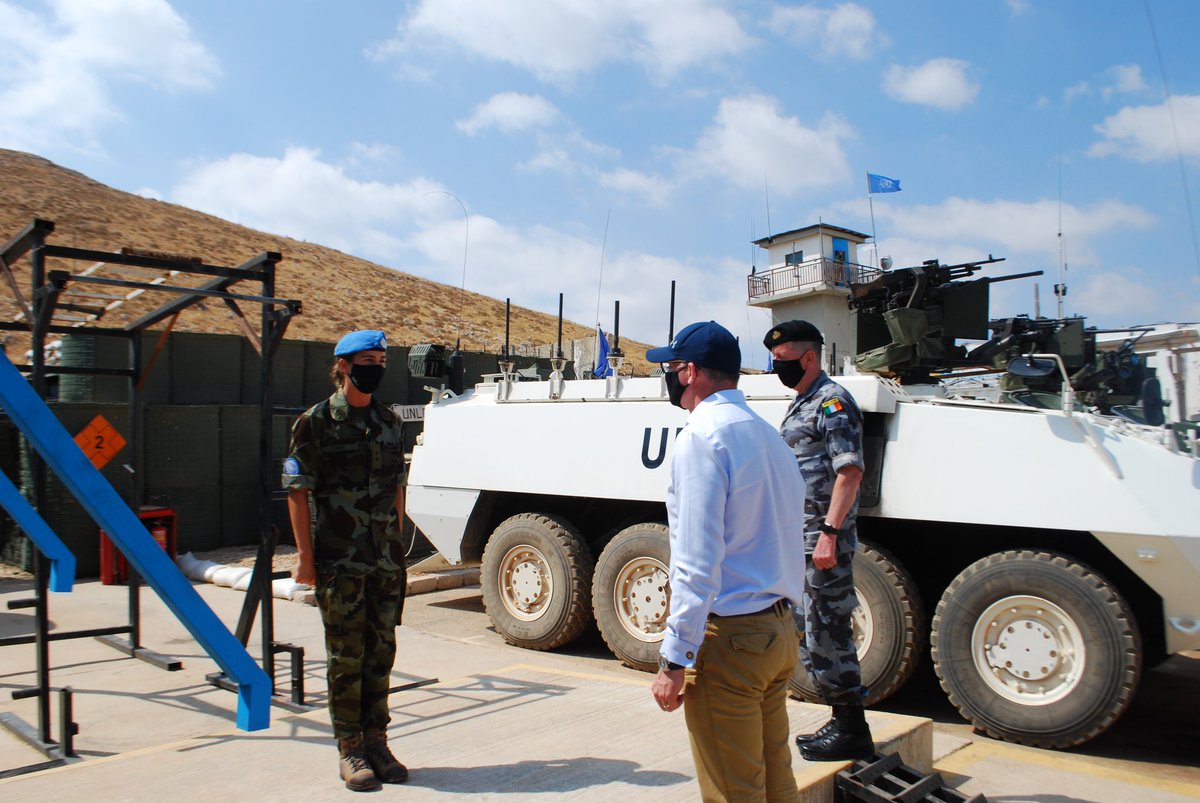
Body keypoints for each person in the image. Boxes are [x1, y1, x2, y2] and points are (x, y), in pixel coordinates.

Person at [647, 321, 808, 802]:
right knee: (775, 779)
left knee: (734, 791)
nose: (671, 377)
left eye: (673, 367)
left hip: (732, 639)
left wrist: (674, 658)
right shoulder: (766, 433)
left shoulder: (701, 437)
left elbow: (696, 562)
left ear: (691, 372)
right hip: (777, 631)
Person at [283, 329, 410, 792]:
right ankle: (350, 748)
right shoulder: (315, 422)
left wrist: (397, 548)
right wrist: (305, 558)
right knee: (345, 657)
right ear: (343, 366)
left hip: (383, 562)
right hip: (340, 562)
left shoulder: (390, 421)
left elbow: (397, 486)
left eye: (381, 359)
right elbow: (298, 494)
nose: (375, 366)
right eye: (367, 359)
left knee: (381, 654)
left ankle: (379, 742)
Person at [764, 319, 874, 762]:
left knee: (829, 633)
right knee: (811, 632)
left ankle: (852, 729)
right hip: (801, 539)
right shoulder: (802, 402)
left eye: (783, 360)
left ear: (809, 357)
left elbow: (849, 471)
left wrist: (828, 534)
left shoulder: (832, 403)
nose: (777, 368)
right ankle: (841, 722)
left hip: (822, 541)